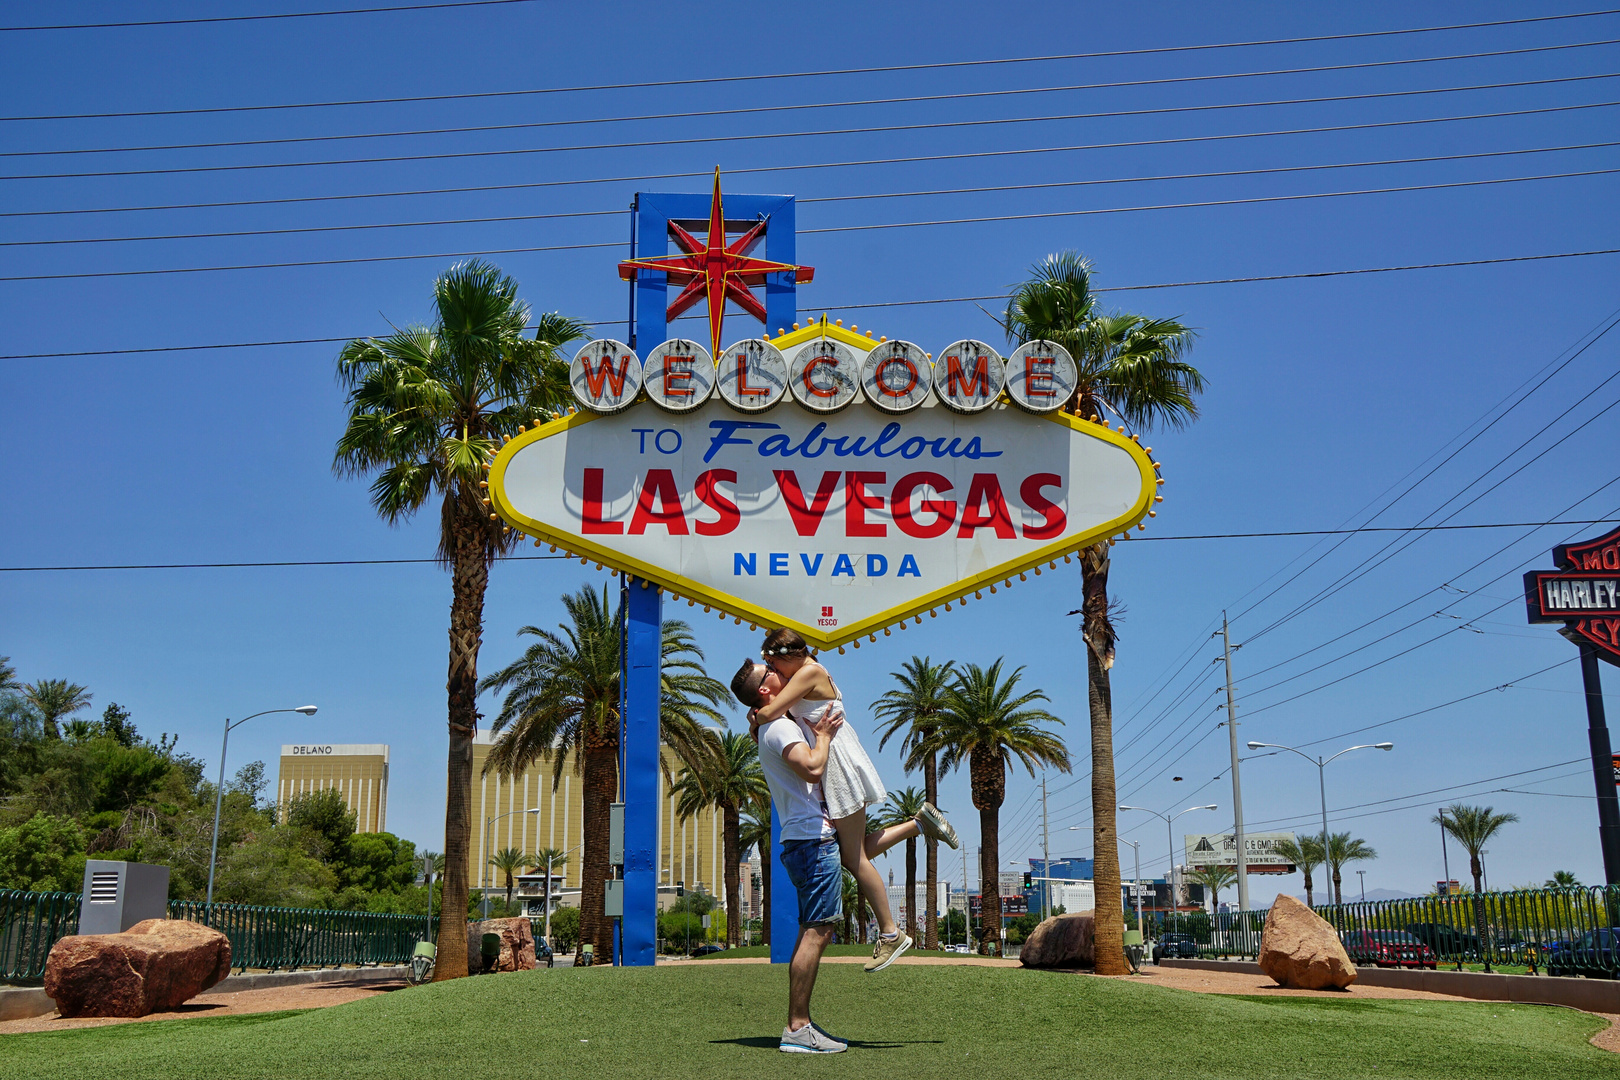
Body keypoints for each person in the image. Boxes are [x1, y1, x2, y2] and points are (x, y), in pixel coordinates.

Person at [747, 628, 959, 974]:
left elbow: (770, 713)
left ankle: (891, 933)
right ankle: (920, 823)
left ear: (787, 656)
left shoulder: (809, 672)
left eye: (772, 664)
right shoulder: (803, 672)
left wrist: (756, 717)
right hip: (836, 763)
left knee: (854, 857)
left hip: (839, 767)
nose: (774, 671)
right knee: (852, 852)